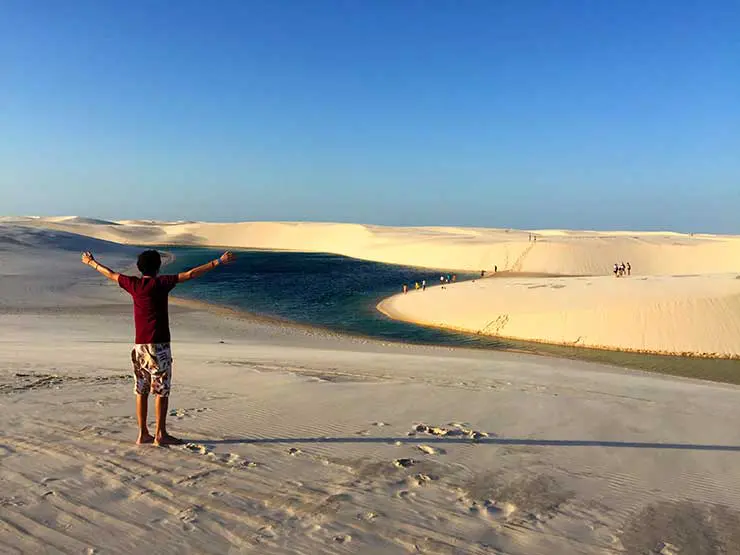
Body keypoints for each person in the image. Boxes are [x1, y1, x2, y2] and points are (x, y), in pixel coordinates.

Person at [81, 249, 235, 446]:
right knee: (161, 390)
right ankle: (160, 434)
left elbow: (110, 274)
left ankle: (142, 433)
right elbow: (189, 274)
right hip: (159, 346)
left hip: (139, 347)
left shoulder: (134, 284)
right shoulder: (160, 283)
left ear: (139, 268)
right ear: (158, 267)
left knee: (141, 389)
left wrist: (91, 262)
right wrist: (218, 262)